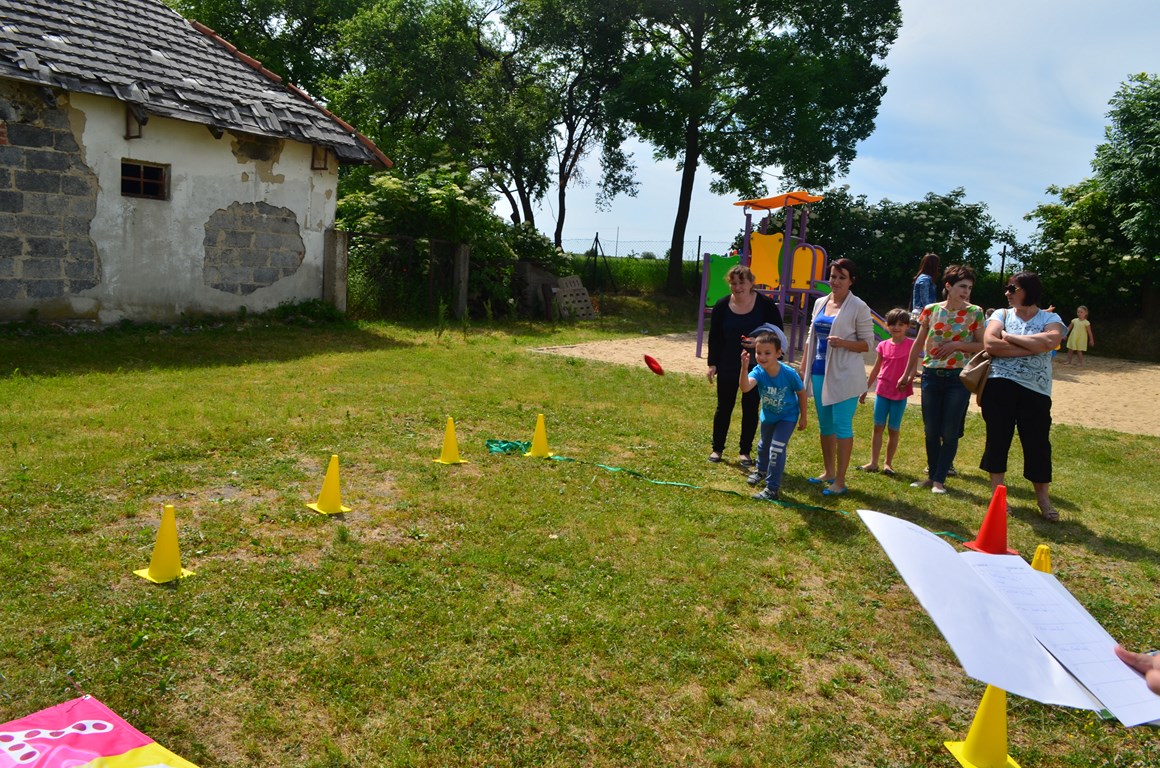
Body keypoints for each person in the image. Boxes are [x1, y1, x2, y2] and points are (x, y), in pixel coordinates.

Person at [980, 271, 1066, 521]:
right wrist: (1032, 347)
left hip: (1036, 390)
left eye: (1012, 288)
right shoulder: (1001, 314)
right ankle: (997, 498)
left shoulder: (1050, 317)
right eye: (1007, 288)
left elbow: (1051, 340)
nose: (1007, 293)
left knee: (1038, 443)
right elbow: (990, 344)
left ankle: (1043, 499)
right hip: (999, 384)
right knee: (998, 439)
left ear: (1028, 290)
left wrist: (1009, 338)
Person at [902, 265, 985, 494]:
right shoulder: (931, 310)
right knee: (931, 430)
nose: (966, 291)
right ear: (948, 286)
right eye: (962, 286)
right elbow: (918, 343)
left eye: (969, 288)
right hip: (931, 376)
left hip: (958, 379)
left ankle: (939, 480)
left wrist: (957, 345)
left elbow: (983, 345)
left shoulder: (975, 312)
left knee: (949, 431)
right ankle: (931, 477)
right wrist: (908, 372)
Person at [799, 258, 874, 496]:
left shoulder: (859, 306)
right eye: (833, 276)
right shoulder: (820, 302)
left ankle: (840, 481)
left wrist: (843, 343)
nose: (836, 281)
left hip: (845, 375)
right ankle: (828, 472)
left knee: (842, 425)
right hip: (819, 372)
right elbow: (811, 336)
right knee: (825, 425)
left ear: (851, 281)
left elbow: (868, 345)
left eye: (842, 277)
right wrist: (804, 366)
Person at [706, 265, 784, 466]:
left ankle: (745, 452)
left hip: (756, 366)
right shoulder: (722, 305)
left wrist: (758, 343)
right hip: (728, 363)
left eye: (742, 282)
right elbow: (715, 337)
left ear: (751, 283)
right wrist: (712, 364)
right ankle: (717, 449)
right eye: (733, 283)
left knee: (750, 407)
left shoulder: (765, 305)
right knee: (724, 407)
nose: (738, 287)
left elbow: (778, 334)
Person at [739, 326, 807, 502]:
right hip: (769, 416)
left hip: (787, 417)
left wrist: (803, 417)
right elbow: (745, 387)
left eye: (767, 353)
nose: (762, 357)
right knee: (763, 446)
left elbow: (801, 393)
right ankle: (761, 470)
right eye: (758, 353)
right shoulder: (758, 371)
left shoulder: (789, 373)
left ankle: (772, 488)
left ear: (778, 353)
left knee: (776, 449)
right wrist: (744, 368)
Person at [858, 308, 915, 476]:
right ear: (887, 326)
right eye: (892, 324)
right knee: (878, 427)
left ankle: (888, 463)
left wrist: (908, 380)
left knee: (893, 429)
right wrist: (865, 388)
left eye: (900, 324)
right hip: (882, 390)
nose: (896, 328)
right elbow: (876, 369)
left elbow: (913, 368)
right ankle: (873, 462)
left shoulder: (912, 345)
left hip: (900, 393)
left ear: (907, 326)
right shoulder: (882, 345)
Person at [910, 252, 941, 335]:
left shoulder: (922, 277)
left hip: (920, 312)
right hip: (924, 314)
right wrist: (932, 312)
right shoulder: (925, 279)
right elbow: (925, 298)